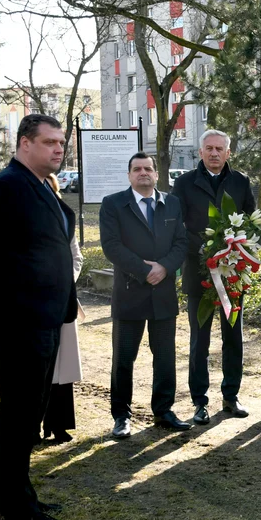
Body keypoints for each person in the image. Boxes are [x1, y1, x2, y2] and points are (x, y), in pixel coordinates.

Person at [0, 114, 77, 520]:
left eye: (61, 142)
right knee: (19, 414)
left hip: (45, 318)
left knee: (30, 413)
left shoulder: (40, 185)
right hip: (19, 321)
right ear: (24, 143)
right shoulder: (7, 187)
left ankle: (18, 494)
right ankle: (14, 509)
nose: (58, 149)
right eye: (49, 142)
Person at [100, 152, 189, 437]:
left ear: (156, 174)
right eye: (137, 169)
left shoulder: (171, 203)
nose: (143, 173)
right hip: (129, 293)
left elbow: (181, 242)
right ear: (129, 175)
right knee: (124, 358)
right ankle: (121, 416)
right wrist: (143, 270)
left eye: (148, 168)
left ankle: (163, 411)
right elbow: (111, 246)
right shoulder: (113, 204)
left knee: (165, 357)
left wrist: (164, 267)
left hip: (163, 294)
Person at [172, 130, 257, 425]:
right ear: (200, 152)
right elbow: (177, 227)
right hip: (200, 274)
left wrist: (232, 250)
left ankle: (231, 395)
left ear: (228, 153)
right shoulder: (183, 184)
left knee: (233, 338)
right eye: (208, 148)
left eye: (219, 148)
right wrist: (207, 250)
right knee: (200, 341)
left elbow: (250, 223)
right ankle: (199, 401)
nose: (214, 153)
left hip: (233, 273)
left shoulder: (241, 182)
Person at [39, 173, 85, 444]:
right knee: (37, 371)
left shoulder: (65, 219)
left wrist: (65, 279)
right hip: (35, 302)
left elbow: (75, 256)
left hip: (63, 298)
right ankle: (32, 427)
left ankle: (59, 425)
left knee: (62, 369)